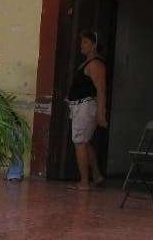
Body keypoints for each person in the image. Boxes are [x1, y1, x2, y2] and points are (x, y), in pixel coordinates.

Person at [66, 28, 107, 190]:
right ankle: (96, 175)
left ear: (94, 45)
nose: (81, 45)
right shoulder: (86, 63)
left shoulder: (95, 64)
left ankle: (84, 182)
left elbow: (101, 90)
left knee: (80, 142)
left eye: (86, 42)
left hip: (86, 106)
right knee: (84, 141)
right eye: (82, 42)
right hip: (79, 106)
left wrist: (101, 113)